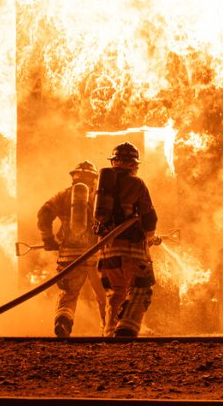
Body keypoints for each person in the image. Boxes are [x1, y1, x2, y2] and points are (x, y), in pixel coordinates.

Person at [95, 142, 158, 337]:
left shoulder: (100, 189)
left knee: (116, 292)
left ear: (114, 162)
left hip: (106, 251)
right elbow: (149, 217)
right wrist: (149, 237)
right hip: (131, 249)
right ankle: (126, 328)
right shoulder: (136, 183)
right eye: (135, 165)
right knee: (141, 288)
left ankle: (110, 332)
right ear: (132, 164)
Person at [37, 160, 106, 337]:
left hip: (69, 255)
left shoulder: (63, 196)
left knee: (68, 294)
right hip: (96, 254)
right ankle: (110, 329)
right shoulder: (100, 198)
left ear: (73, 177)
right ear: (94, 179)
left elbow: (44, 213)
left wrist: (48, 239)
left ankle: (63, 322)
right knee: (107, 295)